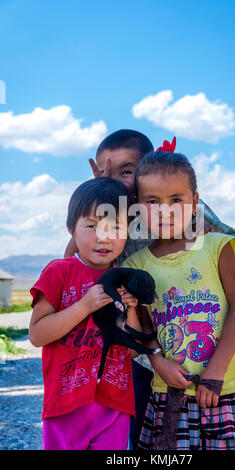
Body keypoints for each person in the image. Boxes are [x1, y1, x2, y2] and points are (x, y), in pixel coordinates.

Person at [63, 129, 235, 450]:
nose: (117, 182)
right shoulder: (108, 216)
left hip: (185, 336)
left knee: (198, 421)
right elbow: (72, 263)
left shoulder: (182, 210)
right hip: (140, 346)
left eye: (126, 171)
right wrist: (96, 196)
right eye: (106, 173)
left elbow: (230, 257)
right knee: (145, 427)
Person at [122, 144, 235, 450]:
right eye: (153, 201)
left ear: (195, 202)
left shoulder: (216, 247)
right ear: (138, 206)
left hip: (228, 388)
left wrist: (216, 370)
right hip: (168, 394)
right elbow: (141, 329)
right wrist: (157, 361)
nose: (165, 210)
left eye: (176, 200)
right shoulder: (134, 267)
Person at [29, 177, 141, 450]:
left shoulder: (125, 278)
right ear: (72, 229)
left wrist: (133, 309)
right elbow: (37, 334)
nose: (103, 237)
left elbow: (134, 350)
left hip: (114, 403)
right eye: (92, 226)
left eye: (115, 227)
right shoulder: (59, 272)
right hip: (66, 404)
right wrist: (83, 307)